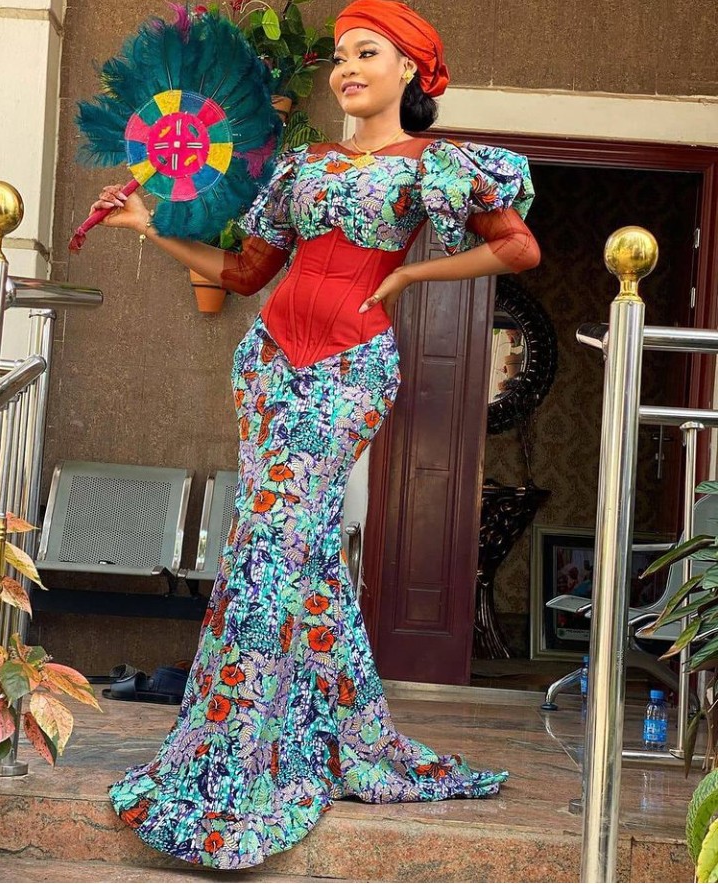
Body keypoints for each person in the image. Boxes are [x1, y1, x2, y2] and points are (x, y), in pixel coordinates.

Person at [89, 0, 541, 869]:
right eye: (339, 56)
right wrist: (150, 226)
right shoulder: (302, 166)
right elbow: (245, 272)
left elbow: (517, 248)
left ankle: (234, 768)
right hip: (268, 363)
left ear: (410, 69)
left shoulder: (436, 165)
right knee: (299, 556)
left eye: (367, 52)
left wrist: (410, 275)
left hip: (348, 370)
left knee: (268, 551)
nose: (347, 69)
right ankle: (338, 737)